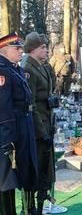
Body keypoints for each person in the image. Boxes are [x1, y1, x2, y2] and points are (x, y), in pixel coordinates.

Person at [0, 32, 38, 215]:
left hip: (25, 126)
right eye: (17, 48)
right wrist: (7, 139)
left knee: (28, 169)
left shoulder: (16, 69)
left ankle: (29, 209)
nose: (21, 51)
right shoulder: (2, 71)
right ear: (5, 51)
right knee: (7, 178)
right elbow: (3, 107)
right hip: (12, 131)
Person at [22, 32, 56, 214]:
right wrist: (41, 131)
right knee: (36, 170)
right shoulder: (28, 67)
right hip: (37, 127)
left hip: (46, 121)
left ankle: (41, 203)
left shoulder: (40, 66)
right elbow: (31, 104)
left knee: (45, 171)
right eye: (42, 47)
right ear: (33, 48)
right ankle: (31, 208)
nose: (46, 50)